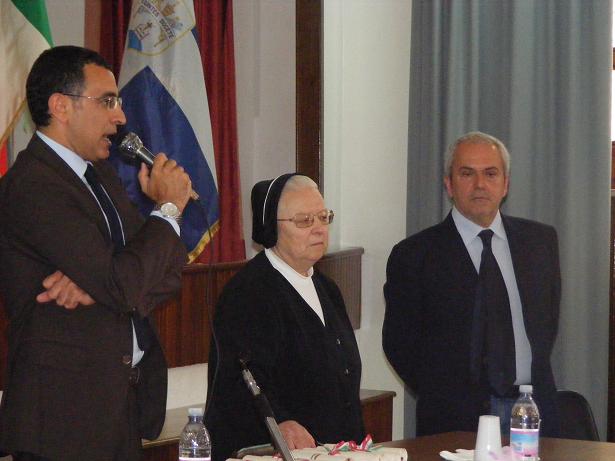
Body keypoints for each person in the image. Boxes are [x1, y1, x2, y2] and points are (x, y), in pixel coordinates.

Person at [0, 46, 192, 461]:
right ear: (61, 106)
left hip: (118, 406)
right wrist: (167, 210)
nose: (120, 117)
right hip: (63, 421)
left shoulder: (99, 174)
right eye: (107, 101)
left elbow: (168, 271)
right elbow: (123, 283)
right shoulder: (33, 185)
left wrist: (100, 285)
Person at [383, 131, 560, 437]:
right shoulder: (414, 255)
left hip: (531, 412)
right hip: (453, 422)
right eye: (467, 173)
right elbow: (400, 344)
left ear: (505, 184)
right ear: (449, 184)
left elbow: (547, 325)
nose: (480, 184)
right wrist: (445, 396)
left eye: (490, 173)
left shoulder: (540, 242)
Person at [205, 174, 365, 461]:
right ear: (271, 228)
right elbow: (241, 381)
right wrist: (280, 422)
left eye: (323, 217)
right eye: (304, 220)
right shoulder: (248, 293)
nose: (319, 229)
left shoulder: (327, 288)